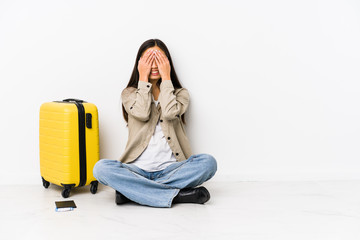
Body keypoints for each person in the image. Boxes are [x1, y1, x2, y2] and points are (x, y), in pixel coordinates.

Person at [93, 39, 217, 208]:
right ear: (140, 64)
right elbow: (142, 113)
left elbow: (169, 112)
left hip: (172, 170)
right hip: (137, 171)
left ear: (167, 63)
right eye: (148, 60)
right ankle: (177, 196)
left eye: (159, 59)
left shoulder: (181, 94)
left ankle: (133, 193)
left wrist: (166, 79)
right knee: (100, 168)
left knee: (209, 163)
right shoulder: (129, 93)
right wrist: (143, 79)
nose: (154, 65)